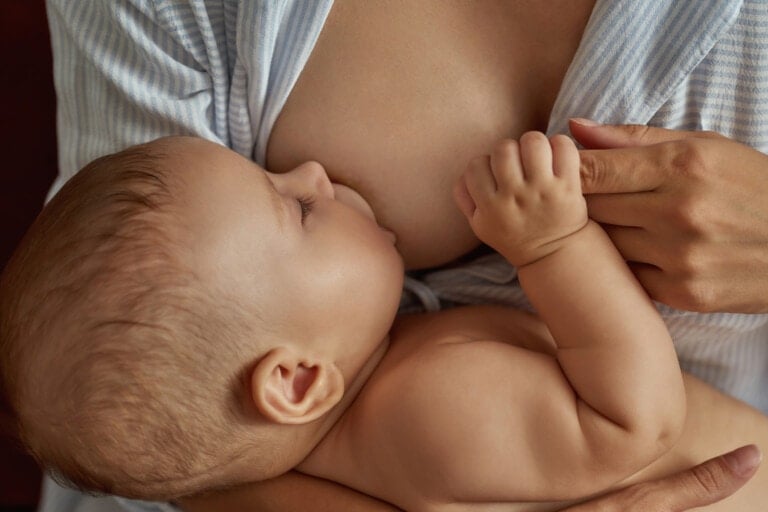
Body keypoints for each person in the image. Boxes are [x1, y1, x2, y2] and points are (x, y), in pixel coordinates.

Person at [39, 0, 768, 510]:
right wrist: (553, 246)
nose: (312, 173)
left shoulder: (387, 386)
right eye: (294, 206)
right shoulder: (429, 411)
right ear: (296, 382)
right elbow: (638, 421)